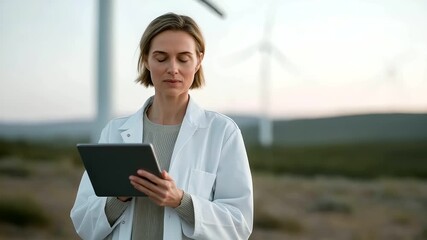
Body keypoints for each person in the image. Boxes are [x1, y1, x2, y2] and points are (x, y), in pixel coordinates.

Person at [70, 12, 253, 240]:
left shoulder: (223, 132)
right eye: (161, 57)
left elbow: (239, 225)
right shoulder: (114, 132)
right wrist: (118, 200)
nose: (173, 68)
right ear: (146, 59)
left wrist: (180, 201)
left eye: (183, 58)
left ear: (198, 61)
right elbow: (83, 222)